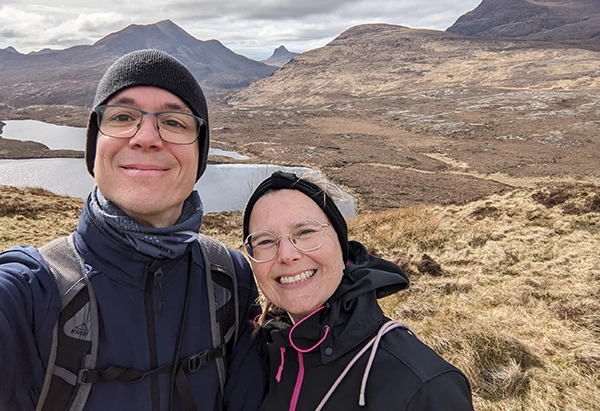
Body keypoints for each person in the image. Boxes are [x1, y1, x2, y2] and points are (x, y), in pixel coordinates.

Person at [0, 49, 264, 410]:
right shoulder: (30, 292)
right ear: (95, 148)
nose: (146, 137)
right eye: (123, 116)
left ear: (199, 154)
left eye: (174, 122)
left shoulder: (235, 280)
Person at [242, 170, 474, 410]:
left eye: (305, 232)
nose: (287, 255)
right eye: (265, 241)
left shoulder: (425, 388)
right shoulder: (255, 361)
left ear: (342, 246)